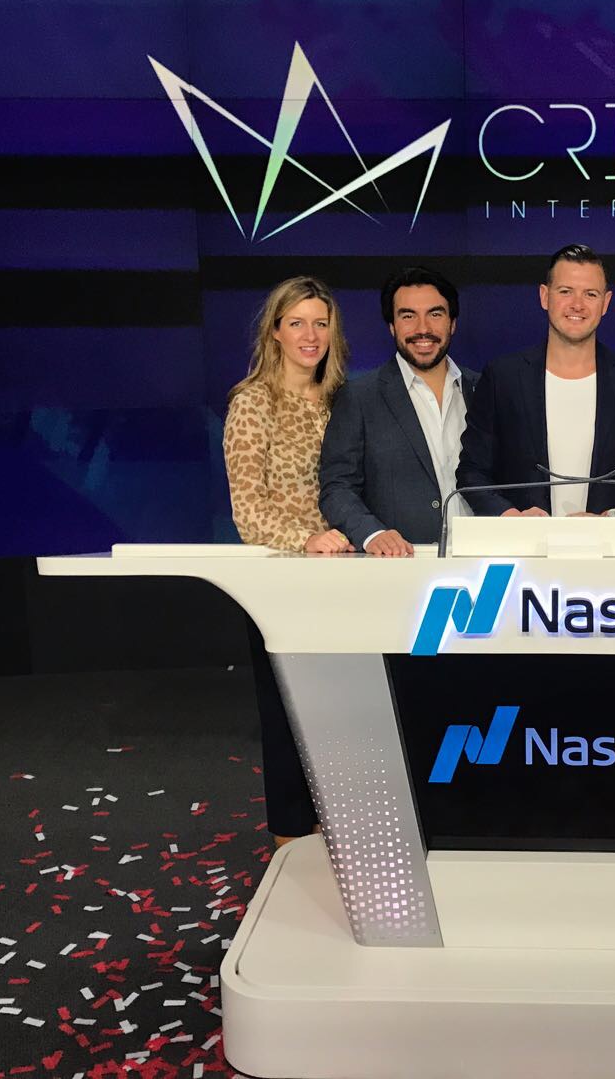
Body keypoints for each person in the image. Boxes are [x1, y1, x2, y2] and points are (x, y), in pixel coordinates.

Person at [222, 275, 351, 846]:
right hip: (280, 582)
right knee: (287, 711)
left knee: (337, 711)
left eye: (320, 323)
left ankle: (335, 822)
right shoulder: (253, 403)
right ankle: (291, 835)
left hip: (342, 578)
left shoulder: (343, 400)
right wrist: (308, 539)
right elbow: (248, 511)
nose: (310, 335)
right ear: (275, 331)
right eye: (297, 323)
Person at [457, 243, 615, 517]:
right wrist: (512, 517)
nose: (577, 304)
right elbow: (472, 471)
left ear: (606, 303)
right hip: (526, 542)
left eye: (590, 294)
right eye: (565, 291)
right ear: (544, 296)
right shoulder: (502, 377)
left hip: (611, 543)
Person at [318, 266, 475, 554]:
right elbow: (337, 488)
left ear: (452, 323)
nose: (423, 328)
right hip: (401, 563)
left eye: (435, 314)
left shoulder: (483, 389)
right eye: (408, 316)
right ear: (392, 326)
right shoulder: (359, 397)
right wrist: (372, 533)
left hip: (482, 559)